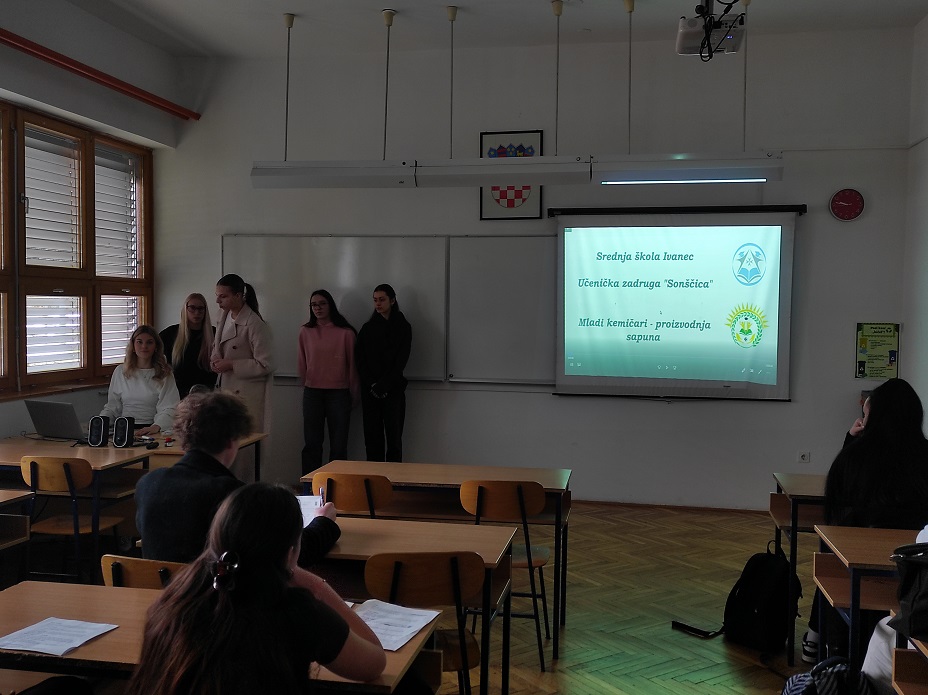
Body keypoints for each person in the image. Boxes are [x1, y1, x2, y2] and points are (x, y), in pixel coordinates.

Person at [125, 482, 386, 695]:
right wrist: (314, 583)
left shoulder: (176, 598)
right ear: (290, 553)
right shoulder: (298, 612)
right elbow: (374, 661)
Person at [135, 390, 339, 564]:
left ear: (183, 439)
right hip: (213, 596)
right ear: (232, 441)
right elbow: (290, 553)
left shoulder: (147, 484)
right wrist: (323, 522)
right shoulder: (234, 495)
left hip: (158, 594)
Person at [803, 378, 928, 662]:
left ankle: (818, 640)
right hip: (917, 574)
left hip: (862, 568)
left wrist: (851, 441)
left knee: (829, 564)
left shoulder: (854, 460)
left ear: (873, 418)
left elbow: (835, 522)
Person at [297, 289, 359, 476]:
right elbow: (302, 363)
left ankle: (337, 485)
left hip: (339, 393)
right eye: (314, 305)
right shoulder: (305, 331)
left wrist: (354, 395)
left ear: (330, 305)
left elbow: (353, 367)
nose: (318, 308)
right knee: (312, 444)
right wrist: (307, 384)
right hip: (312, 393)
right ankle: (310, 486)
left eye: (322, 303)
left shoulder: (346, 333)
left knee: (338, 446)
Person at [211, 273, 274, 434]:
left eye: (223, 296)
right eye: (217, 295)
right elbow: (218, 346)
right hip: (224, 389)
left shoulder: (255, 324)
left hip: (246, 394)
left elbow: (266, 364)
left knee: (243, 440)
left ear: (238, 295)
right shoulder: (222, 316)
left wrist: (231, 364)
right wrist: (215, 359)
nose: (218, 301)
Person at [356, 284, 412, 462]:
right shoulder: (367, 328)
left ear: (392, 300)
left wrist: (384, 385)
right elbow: (360, 360)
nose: (378, 304)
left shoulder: (403, 327)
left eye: (382, 299)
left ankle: (394, 478)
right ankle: (374, 477)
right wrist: (373, 384)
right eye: (375, 300)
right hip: (370, 391)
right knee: (372, 440)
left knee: (394, 441)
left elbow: (400, 361)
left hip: (393, 390)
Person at [100, 325, 179, 436]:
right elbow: (113, 406)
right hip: (123, 429)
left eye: (149, 342)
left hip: (152, 430)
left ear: (156, 346)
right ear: (133, 346)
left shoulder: (165, 374)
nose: (144, 346)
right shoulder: (120, 371)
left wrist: (156, 427)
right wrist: (100, 421)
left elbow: (170, 407)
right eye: (139, 342)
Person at [160, 293, 218, 398]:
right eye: (192, 308)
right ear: (185, 309)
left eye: (201, 309)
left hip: (207, 395)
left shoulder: (215, 334)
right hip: (176, 394)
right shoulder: (170, 334)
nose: (197, 312)